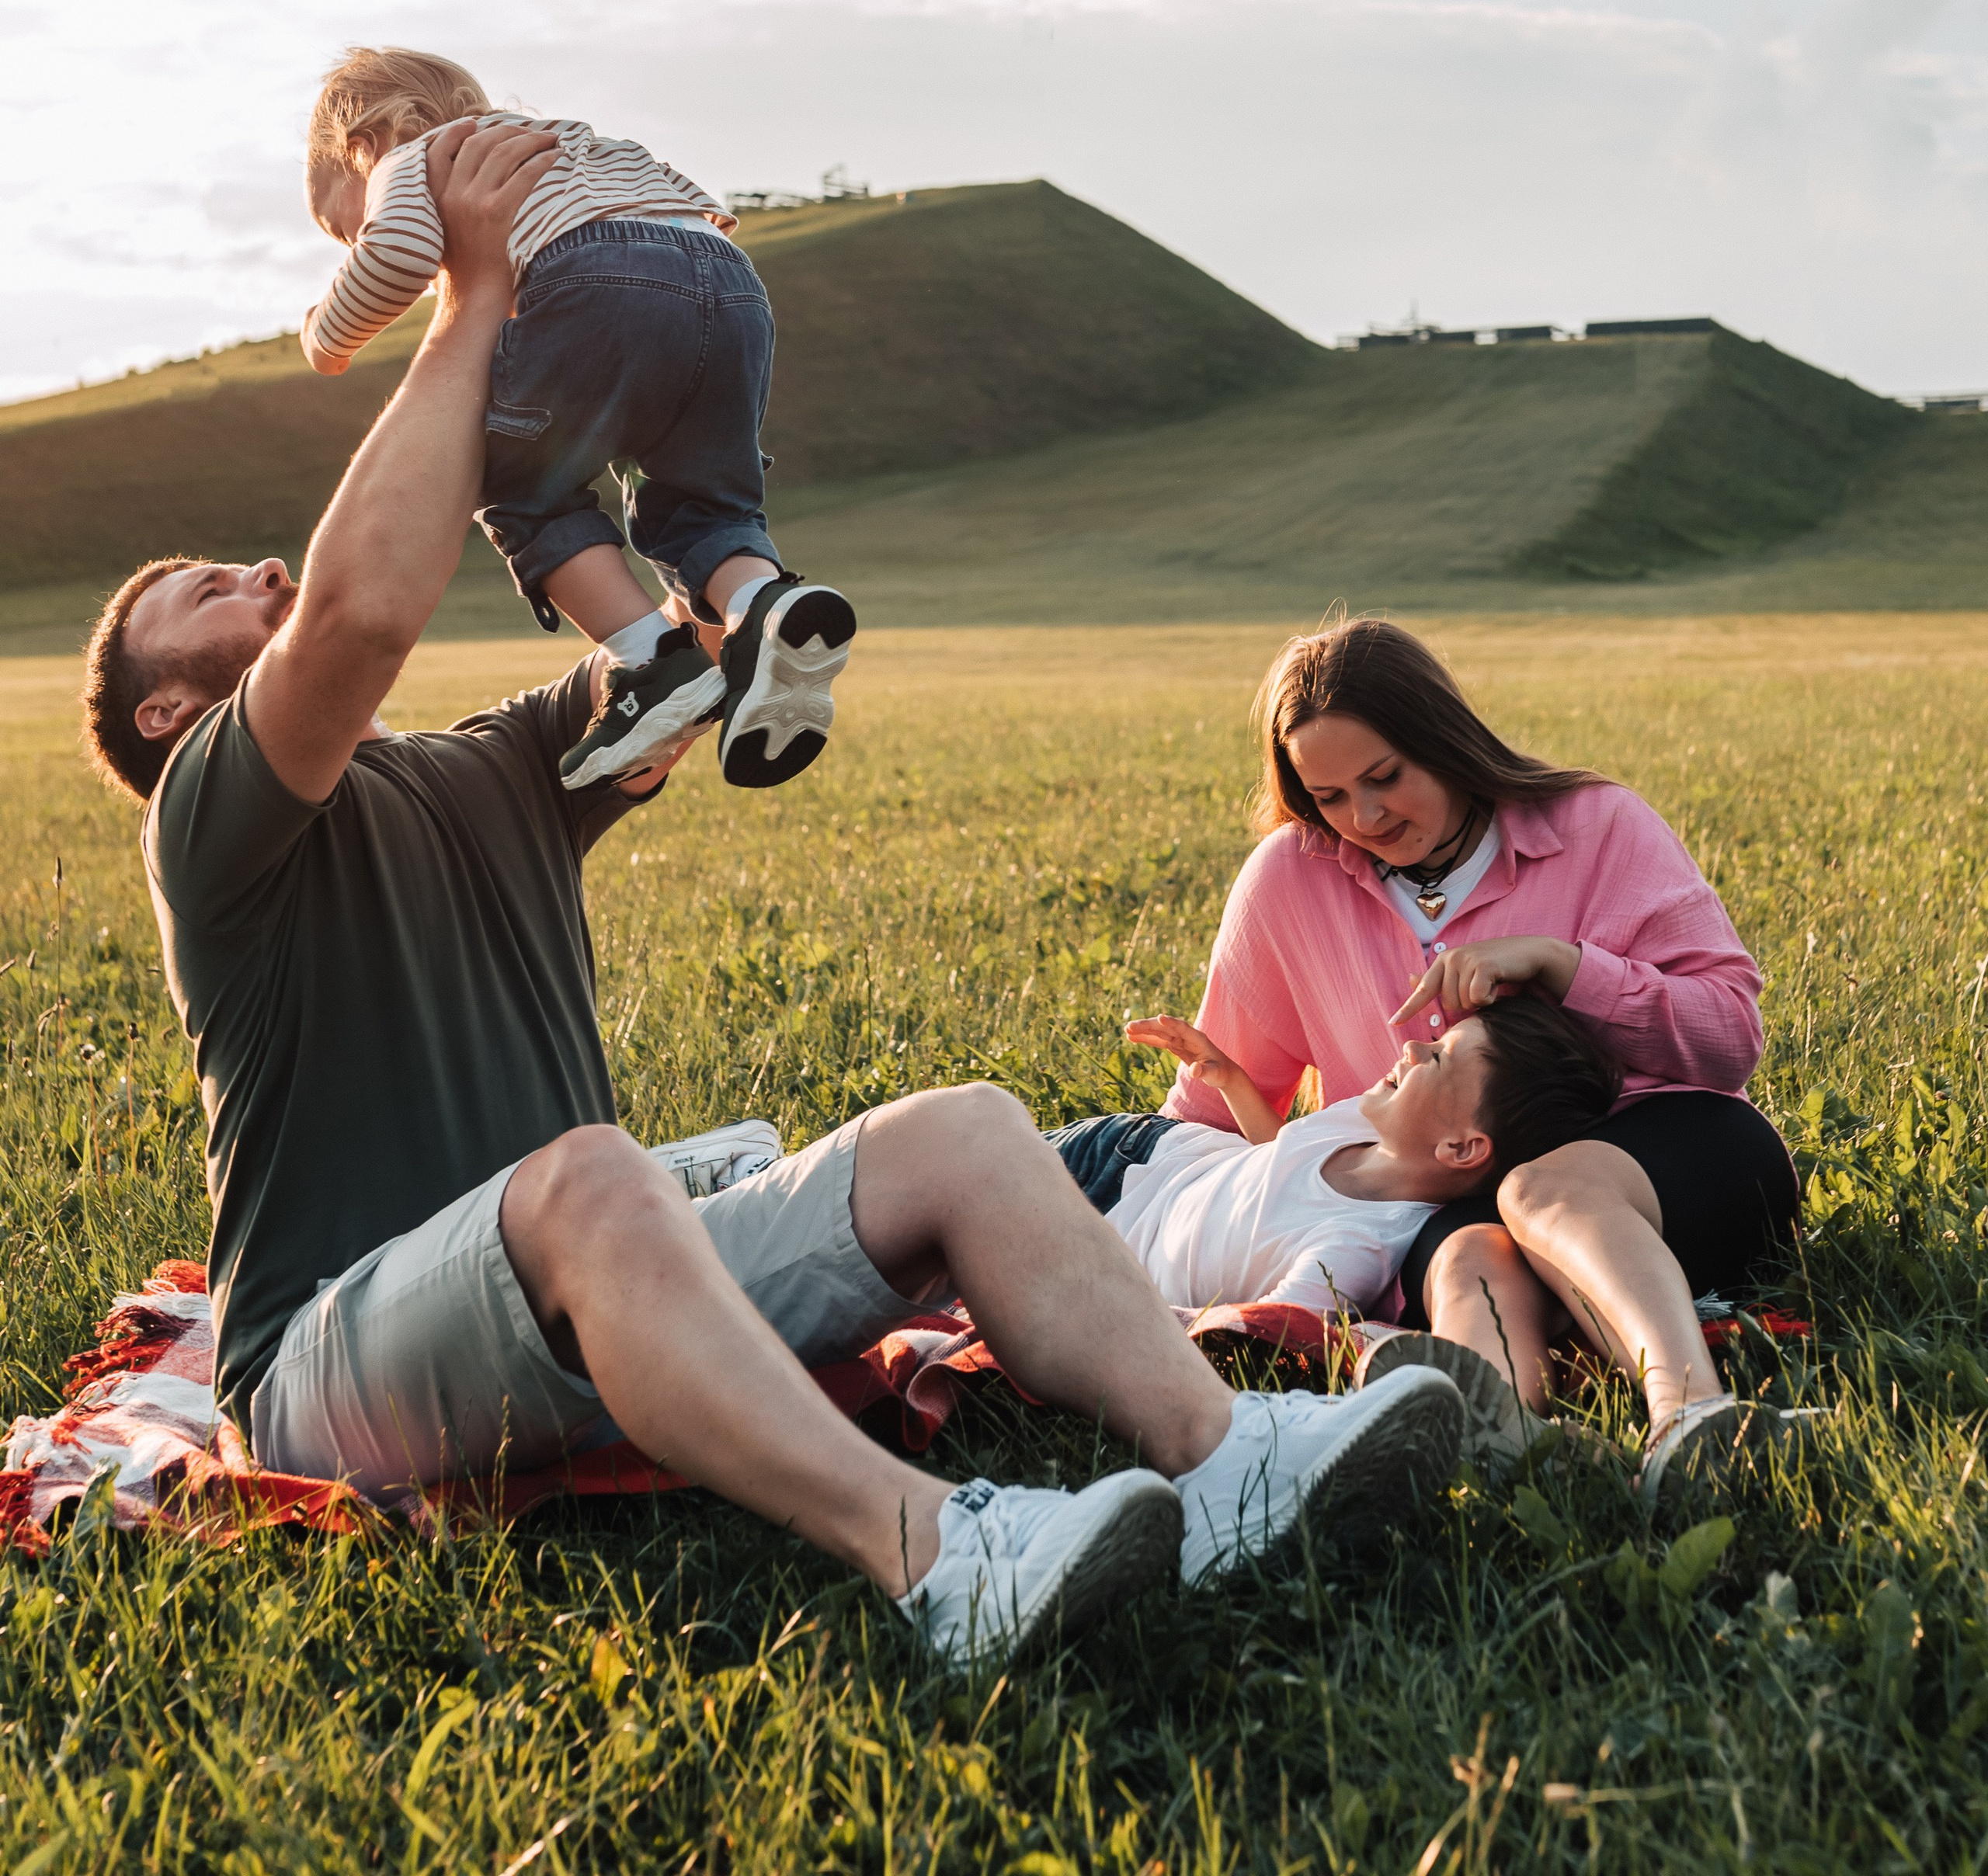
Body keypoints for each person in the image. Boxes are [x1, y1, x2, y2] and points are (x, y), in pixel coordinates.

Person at [78, 123, 1468, 1666]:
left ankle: (1219, 1460)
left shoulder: (487, 774)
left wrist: (681, 399)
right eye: (208, 591)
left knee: (961, 1132)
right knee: (591, 1176)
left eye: (246, 572)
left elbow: (671, 682)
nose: (258, 580)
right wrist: (470, 300)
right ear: (161, 713)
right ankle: (941, 1553)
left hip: (590, 1299)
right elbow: (357, 615)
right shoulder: (215, 819)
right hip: (335, 1360)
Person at [1159, 616, 1809, 1508]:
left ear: (1443, 736)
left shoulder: (1595, 826)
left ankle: (1691, 1421)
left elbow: (1729, 1037)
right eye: (1330, 796)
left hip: (1665, 1158)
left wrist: (1564, 967)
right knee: (1470, 1255)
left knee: (1537, 1190)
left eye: (1385, 777)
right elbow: (1209, 1111)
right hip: (1437, 1201)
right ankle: (1510, 1458)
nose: (1366, 817)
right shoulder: (1287, 880)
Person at [300, 43, 853, 794]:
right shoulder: (574, 139)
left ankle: (653, 664)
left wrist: (326, 336)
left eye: (344, 226)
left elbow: (395, 253)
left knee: (520, 491)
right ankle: (767, 603)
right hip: (731, 287)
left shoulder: (423, 154)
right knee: (700, 498)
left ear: (362, 146)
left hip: (593, 278)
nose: (353, 239)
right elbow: (697, 211)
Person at [1051, 988, 1620, 1332]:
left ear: (1462, 1148)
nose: (1413, 1047)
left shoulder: (1359, 1246)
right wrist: (1229, 1079)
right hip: (1134, 1154)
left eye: (1439, 1058)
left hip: (1098, 1238)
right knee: (970, 1150)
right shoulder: (1363, 1121)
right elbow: (1282, 1156)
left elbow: (1266, 1329)